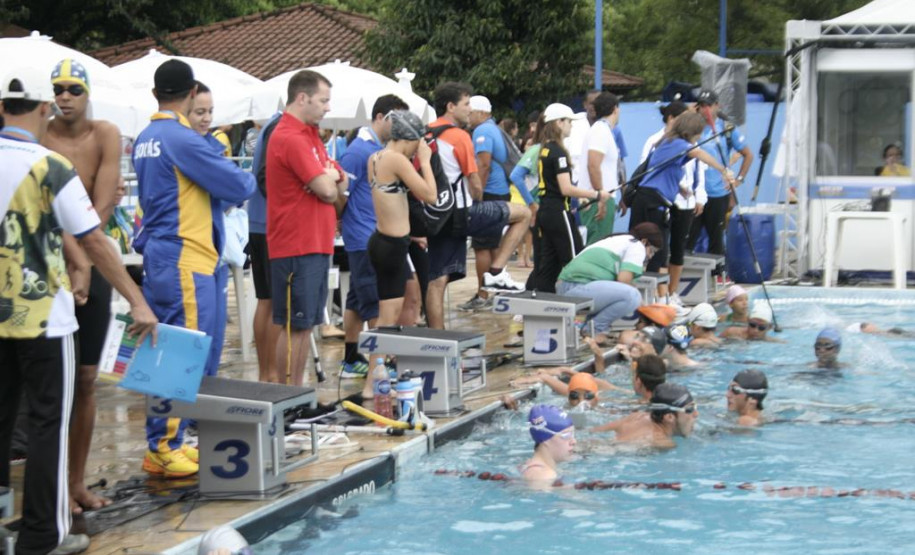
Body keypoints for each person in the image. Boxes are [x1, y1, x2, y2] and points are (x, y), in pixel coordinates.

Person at [0, 66, 157, 555]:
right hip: (45, 314)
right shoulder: (48, 166)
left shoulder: (98, 138)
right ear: (44, 108)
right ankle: (43, 535)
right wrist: (138, 299)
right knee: (50, 421)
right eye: (58, 94)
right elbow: (92, 233)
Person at [133, 60, 255, 478]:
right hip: (184, 257)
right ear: (189, 95)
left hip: (175, 255)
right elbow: (239, 186)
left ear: (156, 94)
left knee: (184, 348)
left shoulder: (147, 136)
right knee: (179, 352)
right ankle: (164, 445)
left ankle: (173, 439)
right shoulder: (179, 137)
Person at [41, 58, 123, 515]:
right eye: (59, 89)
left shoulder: (105, 134)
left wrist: (83, 258)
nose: (65, 96)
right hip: (48, 270)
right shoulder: (39, 135)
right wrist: (74, 257)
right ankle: (50, 484)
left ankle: (76, 482)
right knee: (50, 382)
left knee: (88, 379)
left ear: (87, 92)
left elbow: (102, 205)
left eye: (74, 88)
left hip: (90, 262)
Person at [266, 70, 347, 386]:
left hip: (315, 241)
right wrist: (330, 179)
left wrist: (331, 177)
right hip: (295, 243)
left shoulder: (312, 136)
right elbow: (329, 190)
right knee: (294, 324)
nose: (328, 108)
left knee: (306, 324)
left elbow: (341, 178)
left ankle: (295, 394)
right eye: (324, 100)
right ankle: (287, 396)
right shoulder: (290, 137)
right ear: (302, 98)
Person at [425, 83, 527, 328]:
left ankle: (437, 336)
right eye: (466, 104)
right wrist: (479, 200)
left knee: (437, 280)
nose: (470, 110)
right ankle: (495, 272)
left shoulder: (424, 133)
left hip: (436, 215)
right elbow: (474, 179)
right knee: (523, 214)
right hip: (463, 211)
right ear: (451, 107)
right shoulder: (460, 136)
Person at [337, 94, 408, 378]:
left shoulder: (377, 149)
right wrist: (348, 222)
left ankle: (351, 358)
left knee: (356, 300)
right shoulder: (358, 152)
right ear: (380, 117)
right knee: (374, 303)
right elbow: (341, 196)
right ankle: (382, 365)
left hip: (367, 233)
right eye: (397, 119)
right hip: (363, 237)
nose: (400, 126)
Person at [628, 112, 734, 284]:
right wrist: (724, 170)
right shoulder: (677, 143)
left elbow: (661, 171)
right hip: (652, 202)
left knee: (654, 251)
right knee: (655, 251)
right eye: (699, 133)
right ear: (693, 131)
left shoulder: (670, 143)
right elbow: (699, 154)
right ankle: (654, 298)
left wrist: (679, 188)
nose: (699, 137)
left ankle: (656, 297)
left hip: (650, 199)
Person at [528, 103, 611, 292]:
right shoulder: (558, 152)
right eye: (569, 122)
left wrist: (581, 197)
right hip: (558, 213)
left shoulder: (545, 148)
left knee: (548, 265)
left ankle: (541, 303)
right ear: (559, 123)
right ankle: (583, 302)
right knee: (576, 260)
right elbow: (566, 188)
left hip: (546, 212)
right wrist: (597, 194)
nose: (571, 126)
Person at [366, 110, 437, 330]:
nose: (419, 148)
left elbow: (392, 202)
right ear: (409, 139)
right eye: (418, 142)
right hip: (391, 245)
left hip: (383, 239)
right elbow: (430, 195)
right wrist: (425, 162)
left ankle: (382, 361)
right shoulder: (396, 159)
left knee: (404, 301)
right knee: (389, 315)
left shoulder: (375, 157)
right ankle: (377, 364)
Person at [462, 95, 532, 309]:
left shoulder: (483, 131)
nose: (468, 116)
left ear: (481, 112)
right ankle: (496, 292)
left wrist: (477, 194)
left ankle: (483, 295)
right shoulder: (494, 128)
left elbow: (483, 165)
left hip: (489, 193)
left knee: (482, 247)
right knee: (491, 245)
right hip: (499, 193)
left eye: (470, 111)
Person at [639, 100, 707, 302]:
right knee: (661, 249)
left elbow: (698, 170)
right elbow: (649, 169)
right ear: (672, 119)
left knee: (679, 248)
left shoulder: (692, 143)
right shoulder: (657, 140)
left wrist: (699, 196)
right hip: (665, 201)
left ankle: (673, 291)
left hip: (686, 203)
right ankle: (660, 295)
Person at [555, 222, 663, 343]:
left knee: (631, 295)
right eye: (651, 250)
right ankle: (594, 331)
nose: (650, 256)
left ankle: (590, 328)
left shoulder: (618, 240)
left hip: (568, 288)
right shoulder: (637, 245)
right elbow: (624, 281)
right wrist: (645, 308)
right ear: (644, 241)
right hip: (575, 288)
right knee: (633, 296)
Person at [686, 89, 753, 257]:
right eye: (701, 106)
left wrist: (738, 180)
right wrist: (689, 112)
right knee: (687, 239)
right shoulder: (691, 127)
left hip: (717, 193)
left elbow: (748, 154)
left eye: (709, 105)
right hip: (693, 193)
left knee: (716, 239)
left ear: (717, 106)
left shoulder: (727, 129)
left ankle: (718, 277)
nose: (705, 110)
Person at [249, 110, 282, 382]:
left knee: (267, 301)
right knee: (275, 303)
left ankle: (266, 373)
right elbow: (265, 178)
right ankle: (270, 374)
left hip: (260, 223)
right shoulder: (280, 126)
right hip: (272, 225)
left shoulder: (270, 124)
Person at [578, 92, 621, 246]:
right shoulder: (600, 131)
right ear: (615, 109)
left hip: (600, 196)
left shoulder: (602, 130)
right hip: (597, 197)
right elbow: (593, 165)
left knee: (600, 243)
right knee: (596, 245)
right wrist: (600, 196)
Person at [591, 354, 666, 433]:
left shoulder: (634, 411)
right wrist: (611, 387)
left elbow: (603, 412)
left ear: (638, 381)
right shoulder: (668, 401)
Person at [613, 383, 698, 448]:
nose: (696, 414)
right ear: (669, 417)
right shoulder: (660, 443)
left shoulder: (639, 417)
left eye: (694, 407)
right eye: (689, 410)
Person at [520, 404, 575, 487]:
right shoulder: (545, 476)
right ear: (545, 438)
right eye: (566, 435)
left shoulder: (529, 466)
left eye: (573, 434)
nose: (574, 441)